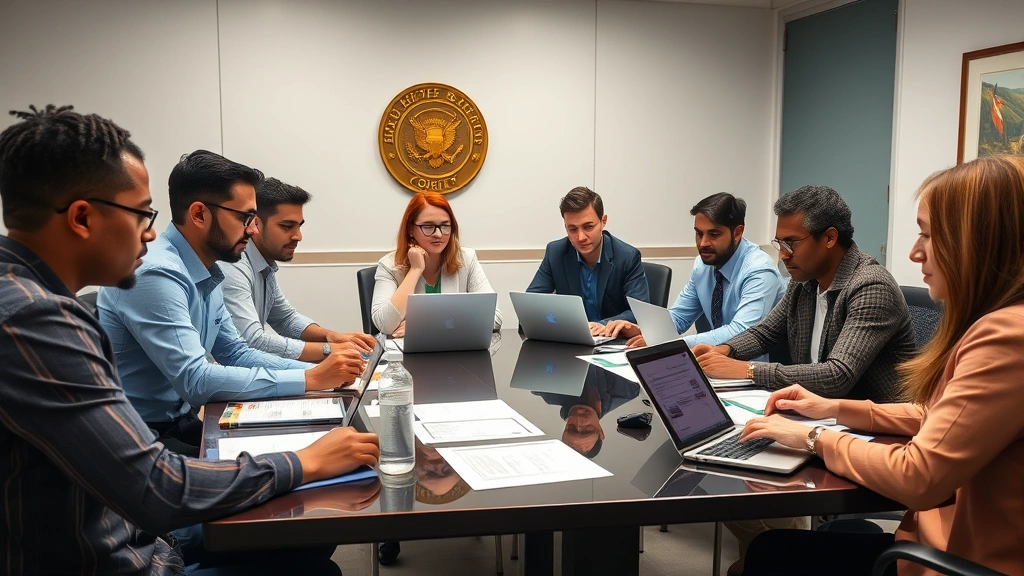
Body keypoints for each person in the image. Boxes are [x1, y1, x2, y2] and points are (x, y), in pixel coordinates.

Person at [0, 104, 379, 575]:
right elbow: (155, 483)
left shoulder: (30, 299)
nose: (152, 231)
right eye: (141, 214)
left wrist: (318, 378)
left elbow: (235, 350)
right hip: (132, 547)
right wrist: (301, 463)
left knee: (305, 539)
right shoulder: (34, 320)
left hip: (132, 525)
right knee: (310, 555)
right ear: (81, 218)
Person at [738, 155, 1024, 576]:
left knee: (770, 553)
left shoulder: (1005, 337)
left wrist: (813, 437)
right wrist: (833, 410)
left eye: (928, 235)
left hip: (953, 559)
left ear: (978, 243)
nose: (913, 252)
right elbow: (936, 416)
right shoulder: (1002, 324)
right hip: (942, 537)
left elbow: (919, 476)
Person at [98, 150, 366, 456]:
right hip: (137, 439)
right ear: (199, 214)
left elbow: (235, 352)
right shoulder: (156, 272)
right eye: (245, 218)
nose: (253, 230)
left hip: (177, 422)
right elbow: (195, 379)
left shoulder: (207, 267)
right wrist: (310, 377)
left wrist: (328, 377)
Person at [692, 185, 916, 403]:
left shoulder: (871, 286)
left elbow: (837, 376)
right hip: (819, 413)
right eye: (779, 243)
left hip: (877, 428)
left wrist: (748, 370)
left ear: (829, 238)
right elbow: (764, 334)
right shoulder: (804, 282)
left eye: (791, 243)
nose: (783, 254)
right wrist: (724, 350)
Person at [221, 176, 376, 362]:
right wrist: (329, 350)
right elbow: (253, 341)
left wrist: (331, 336)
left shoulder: (264, 263)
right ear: (256, 224)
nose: (298, 236)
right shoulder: (234, 264)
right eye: (286, 226)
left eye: (299, 226)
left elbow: (285, 319)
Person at [604, 193, 786, 350]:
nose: (703, 242)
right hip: (713, 362)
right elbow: (678, 318)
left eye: (713, 235)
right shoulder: (703, 265)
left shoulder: (759, 271)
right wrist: (642, 329)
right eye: (699, 233)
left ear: (737, 233)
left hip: (753, 370)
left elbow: (741, 332)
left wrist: (670, 344)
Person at [371, 192, 502, 337]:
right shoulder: (389, 265)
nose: (439, 234)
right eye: (428, 227)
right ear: (410, 229)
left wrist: (428, 323)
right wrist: (415, 270)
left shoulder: (466, 259)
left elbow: (495, 317)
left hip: (456, 351)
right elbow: (384, 325)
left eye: (445, 226)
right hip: (408, 355)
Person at [527, 186, 650, 335]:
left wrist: (602, 325)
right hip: (571, 343)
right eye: (572, 229)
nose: (581, 237)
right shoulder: (556, 252)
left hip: (612, 344)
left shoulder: (627, 257)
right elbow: (530, 305)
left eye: (588, 227)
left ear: (603, 221)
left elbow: (640, 313)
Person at [536, 366, 640, 458]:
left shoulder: (545, 389)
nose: (579, 420)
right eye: (587, 430)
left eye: (571, 428)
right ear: (601, 432)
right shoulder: (627, 389)